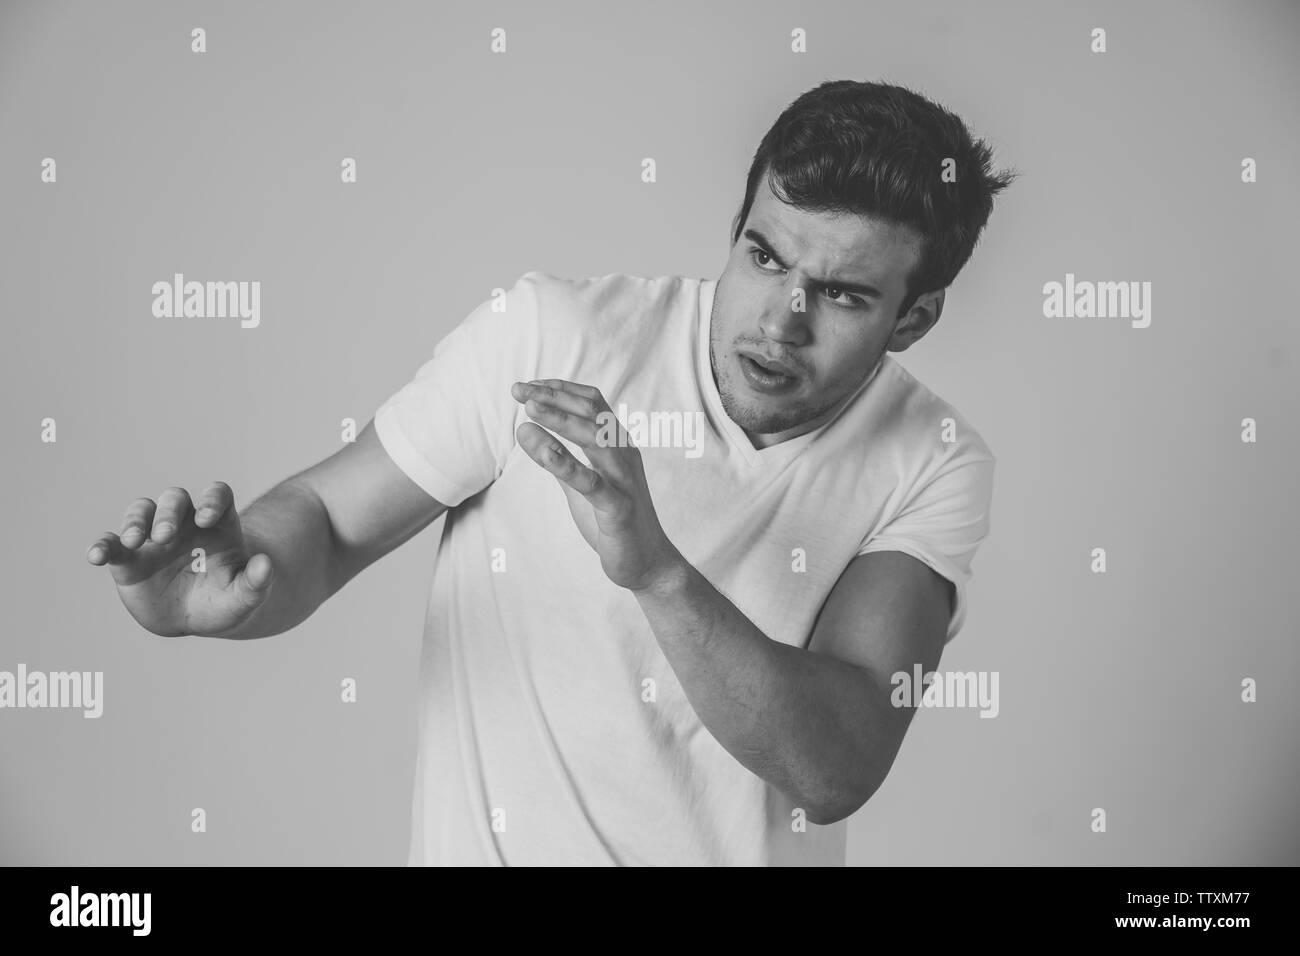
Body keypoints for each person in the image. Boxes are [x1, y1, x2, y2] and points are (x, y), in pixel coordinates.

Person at [86, 79, 1016, 866]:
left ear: (914, 319)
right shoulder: (552, 337)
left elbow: (838, 763)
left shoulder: (929, 458)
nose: (781, 320)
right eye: (763, 256)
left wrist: (654, 568)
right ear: (736, 226)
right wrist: (234, 583)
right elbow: (326, 526)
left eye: (844, 295)